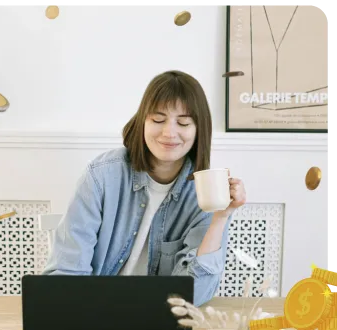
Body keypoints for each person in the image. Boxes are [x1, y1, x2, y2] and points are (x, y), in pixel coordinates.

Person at [42, 70, 247, 306]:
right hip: (94, 310)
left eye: (183, 122)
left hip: (159, 319)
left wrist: (220, 217)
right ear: (142, 122)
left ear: (199, 129)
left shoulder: (208, 192)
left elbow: (193, 296)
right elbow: (66, 275)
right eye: (158, 120)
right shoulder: (102, 175)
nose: (169, 133)